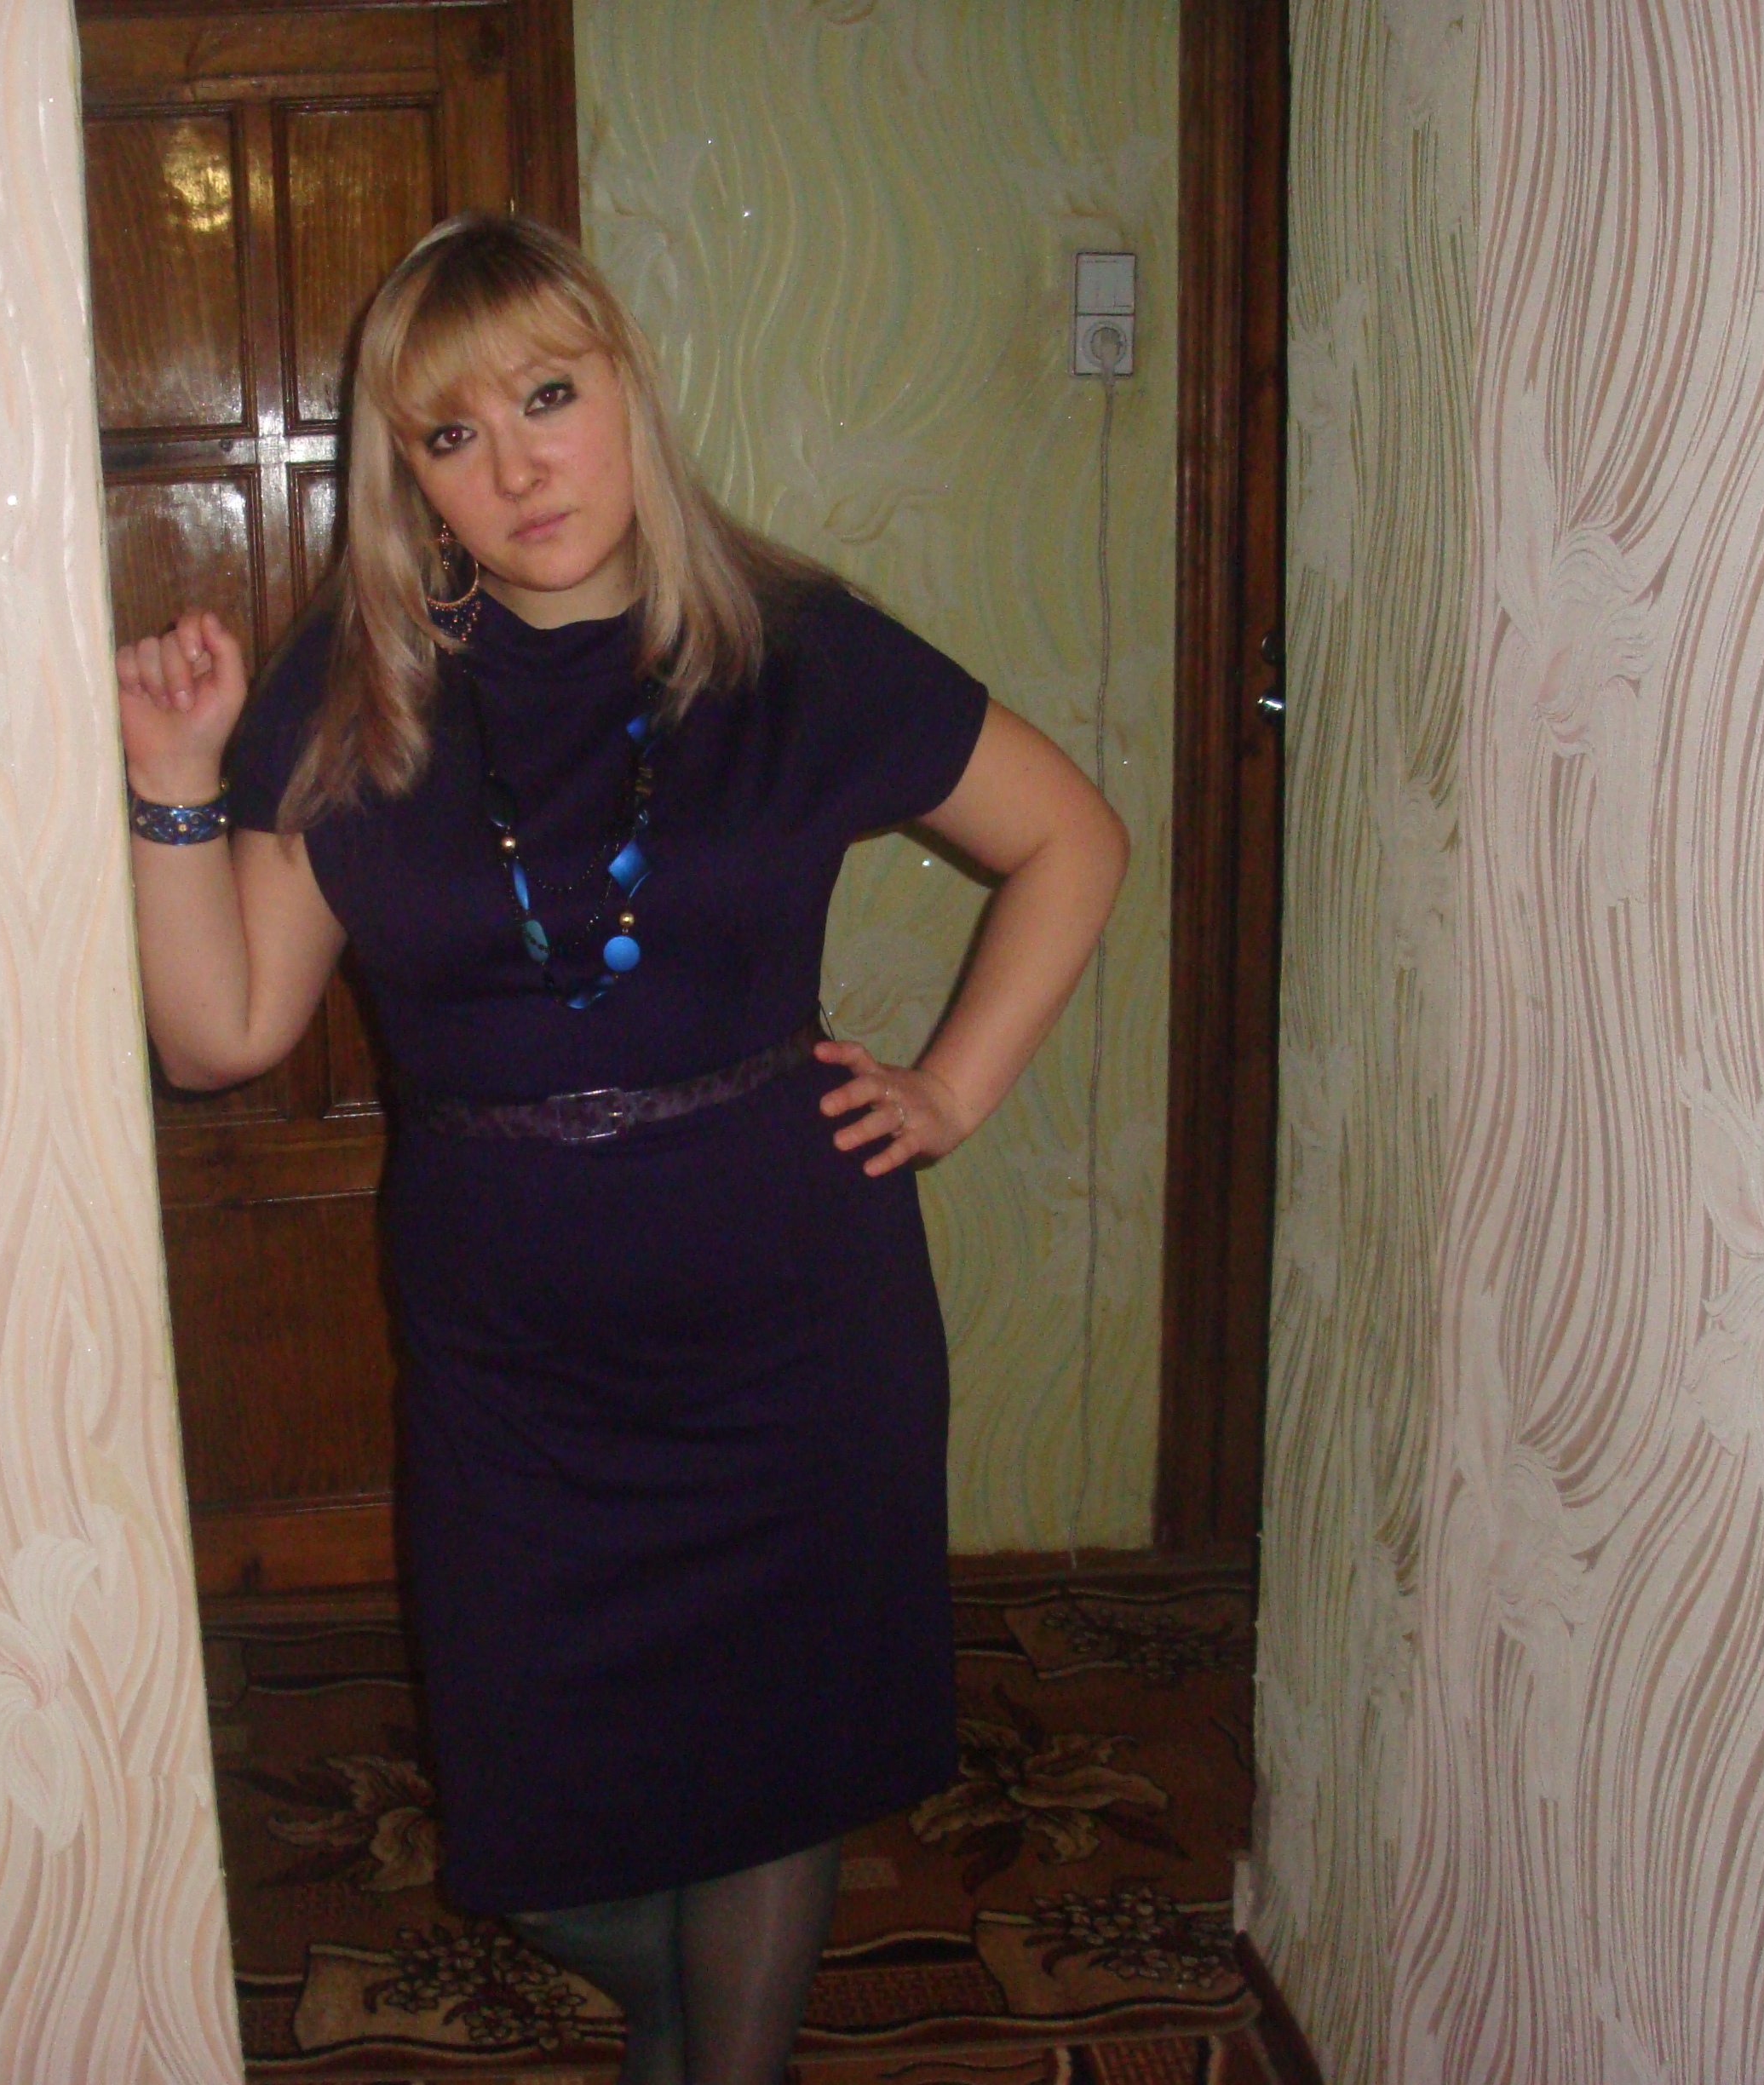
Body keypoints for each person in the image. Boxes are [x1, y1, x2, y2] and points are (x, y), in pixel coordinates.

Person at [117, 213, 1126, 2085]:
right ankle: (686, 2018)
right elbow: (222, 1034)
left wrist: (954, 1088)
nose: (517, 467)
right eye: (452, 433)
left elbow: (1071, 835)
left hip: (792, 1335)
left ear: (627, 394)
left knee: (770, 1786)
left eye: (549, 398)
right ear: (408, 475)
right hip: (516, 1372)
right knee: (539, 1822)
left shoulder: (790, 649)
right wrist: (175, 791)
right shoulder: (358, 684)